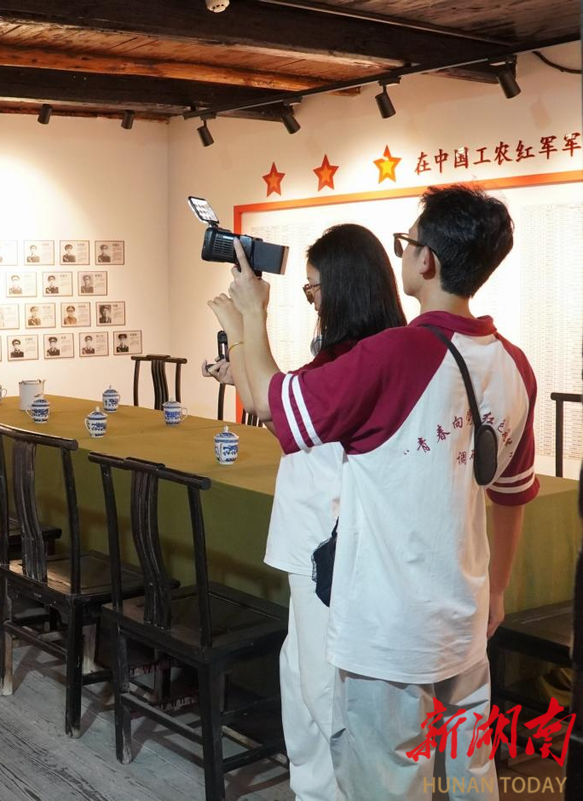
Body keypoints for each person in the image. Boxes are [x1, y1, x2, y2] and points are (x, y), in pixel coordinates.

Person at [214, 185, 537, 800]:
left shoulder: (392, 355)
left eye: (408, 242)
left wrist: (251, 313)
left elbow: (276, 405)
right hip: (464, 617)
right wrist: (497, 590)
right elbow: (512, 495)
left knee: (387, 780)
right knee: (469, 777)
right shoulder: (514, 364)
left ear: (426, 261)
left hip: (387, 629)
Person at [205, 224, 406, 801]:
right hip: (314, 536)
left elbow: (264, 401)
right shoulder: (349, 356)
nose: (312, 298)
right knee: (300, 673)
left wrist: (249, 320)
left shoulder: (363, 360)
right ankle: (315, 789)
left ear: (344, 287)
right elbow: (274, 412)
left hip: (328, 542)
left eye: (314, 288)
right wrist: (240, 334)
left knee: (321, 683)